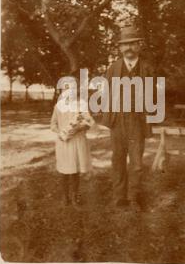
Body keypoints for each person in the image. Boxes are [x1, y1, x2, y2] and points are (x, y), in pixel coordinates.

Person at [101, 25, 156, 210]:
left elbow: (153, 97)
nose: (129, 48)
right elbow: (106, 95)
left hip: (137, 121)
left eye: (132, 44)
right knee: (118, 160)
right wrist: (109, 119)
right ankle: (119, 197)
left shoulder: (147, 69)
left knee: (137, 163)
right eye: (125, 45)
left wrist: (150, 121)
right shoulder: (112, 69)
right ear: (120, 48)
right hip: (118, 120)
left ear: (139, 45)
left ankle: (133, 197)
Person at [50, 77, 94, 206]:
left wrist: (80, 127)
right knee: (64, 170)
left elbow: (89, 123)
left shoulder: (82, 104)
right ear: (63, 90)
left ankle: (75, 197)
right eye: (67, 88)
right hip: (63, 142)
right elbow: (53, 124)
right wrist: (61, 133)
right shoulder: (58, 106)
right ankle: (65, 197)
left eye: (73, 88)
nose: (70, 91)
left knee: (75, 170)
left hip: (77, 141)